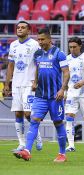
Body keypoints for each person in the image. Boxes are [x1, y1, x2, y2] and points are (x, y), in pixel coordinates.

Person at [13, 27, 70, 162]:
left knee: (58, 123)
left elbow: (66, 72)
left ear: (50, 39)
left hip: (55, 96)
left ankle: (62, 154)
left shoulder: (59, 53)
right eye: (38, 39)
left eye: (42, 39)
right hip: (40, 95)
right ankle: (27, 150)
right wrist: (35, 82)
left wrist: (62, 89)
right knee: (34, 120)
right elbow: (38, 69)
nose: (40, 42)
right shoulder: (38, 54)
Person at [4, 21, 43, 152]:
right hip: (16, 84)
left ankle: (36, 134)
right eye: (18, 27)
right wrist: (7, 83)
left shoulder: (34, 45)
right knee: (18, 113)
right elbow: (11, 65)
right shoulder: (13, 45)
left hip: (29, 83)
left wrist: (36, 81)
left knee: (28, 113)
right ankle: (21, 143)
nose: (20, 29)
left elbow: (39, 64)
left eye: (23, 28)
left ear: (29, 31)